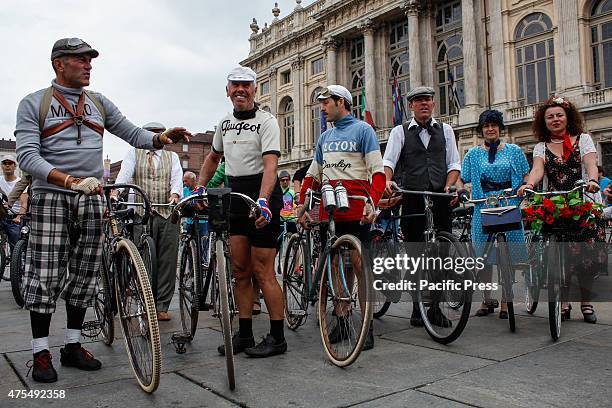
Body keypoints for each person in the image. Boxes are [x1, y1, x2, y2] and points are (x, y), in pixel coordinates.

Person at [14, 37, 191, 383]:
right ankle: (39, 352)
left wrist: (159, 138)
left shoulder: (98, 103)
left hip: (92, 196)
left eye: (90, 60)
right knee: (46, 275)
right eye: (80, 59)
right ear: (58, 64)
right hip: (52, 196)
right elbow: (27, 157)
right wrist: (70, 182)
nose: (88, 65)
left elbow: (131, 133)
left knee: (85, 273)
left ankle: (72, 345)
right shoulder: (34, 104)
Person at [198, 66, 287, 357]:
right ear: (227, 90)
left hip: (262, 195)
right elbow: (213, 157)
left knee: (264, 272)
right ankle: (245, 334)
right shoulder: (223, 123)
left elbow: (271, 165)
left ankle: (277, 337)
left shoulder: (267, 121)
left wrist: (262, 201)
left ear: (255, 89)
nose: (240, 90)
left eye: (246, 85)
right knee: (240, 271)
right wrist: (200, 187)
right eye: (235, 85)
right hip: (235, 195)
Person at [298, 84, 385, 350]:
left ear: (341, 102)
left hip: (358, 210)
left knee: (360, 266)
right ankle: (341, 318)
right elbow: (313, 175)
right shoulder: (324, 138)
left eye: (325, 103)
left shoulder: (363, 130)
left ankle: (366, 326)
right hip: (329, 211)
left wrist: (373, 203)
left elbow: (378, 172)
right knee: (335, 266)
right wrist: (302, 205)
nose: (322, 108)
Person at [518, 96, 602, 323]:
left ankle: (586, 303)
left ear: (567, 117)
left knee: (587, 257)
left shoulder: (583, 139)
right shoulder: (540, 147)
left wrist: (593, 180)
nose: (555, 119)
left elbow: (591, 163)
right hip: (553, 205)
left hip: (581, 202)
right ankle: (563, 303)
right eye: (550, 117)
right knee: (559, 255)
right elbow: (537, 170)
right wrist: (529, 184)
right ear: (543, 122)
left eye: (559, 115)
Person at [382, 86, 461, 327]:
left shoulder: (446, 130)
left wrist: (449, 186)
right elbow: (389, 161)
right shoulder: (400, 131)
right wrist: (386, 180)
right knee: (416, 253)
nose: (424, 104)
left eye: (427, 99)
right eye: (418, 101)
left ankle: (434, 307)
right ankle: (418, 308)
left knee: (441, 254)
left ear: (433, 104)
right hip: (413, 196)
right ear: (411, 106)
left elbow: (454, 163)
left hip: (439, 196)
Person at [458, 110, 529, 317]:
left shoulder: (514, 151)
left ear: (500, 128)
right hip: (483, 206)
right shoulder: (472, 154)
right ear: (481, 130)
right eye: (486, 126)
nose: (490, 129)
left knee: (510, 256)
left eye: (494, 125)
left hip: (509, 204)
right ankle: (486, 299)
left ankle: (507, 301)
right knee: (484, 256)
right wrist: (461, 190)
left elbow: (525, 174)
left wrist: (524, 186)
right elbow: (462, 179)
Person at [113, 121, 183, 321]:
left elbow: (176, 178)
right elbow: (125, 173)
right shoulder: (134, 153)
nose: (155, 136)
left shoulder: (173, 156)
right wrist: (117, 191)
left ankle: (162, 305)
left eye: (159, 133)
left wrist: (176, 195)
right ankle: (146, 302)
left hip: (167, 213)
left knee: (168, 261)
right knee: (143, 260)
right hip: (141, 213)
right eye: (151, 133)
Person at [0, 154, 21, 249]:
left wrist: (19, 217)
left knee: (15, 246)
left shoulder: (20, 182)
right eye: (5, 163)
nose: (7, 165)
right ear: (2, 166)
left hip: (14, 217)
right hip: (2, 215)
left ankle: (16, 261)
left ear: (15, 166)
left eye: (10, 163)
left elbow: (24, 203)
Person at [279, 170, 297, 235]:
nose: (285, 181)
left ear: (289, 181)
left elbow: (296, 205)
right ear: (280, 181)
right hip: (280, 220)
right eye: (283, 180)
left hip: (291, 219)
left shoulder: (292, 192)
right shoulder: (277, 192)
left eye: (287, 180)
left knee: (295, 238)